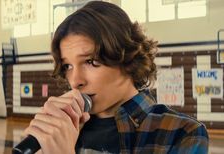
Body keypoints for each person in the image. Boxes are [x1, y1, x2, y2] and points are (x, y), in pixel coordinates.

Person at [24, 1, 209, 154]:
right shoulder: (64, 131)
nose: (74, 81)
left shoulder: (183, 133)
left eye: (90, 61)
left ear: (127, 58)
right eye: (67, 66)